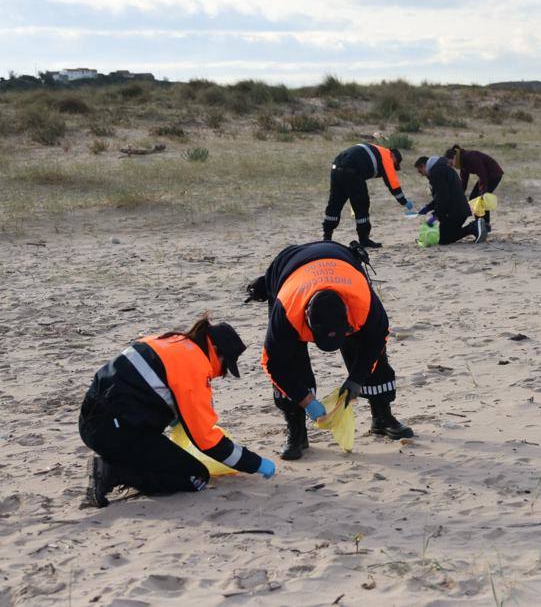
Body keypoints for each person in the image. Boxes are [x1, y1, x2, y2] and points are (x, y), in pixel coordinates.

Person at [79, 315, 275, 508]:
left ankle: (117, 463)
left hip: (95, 419)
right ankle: (111, 471)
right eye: (225, 365)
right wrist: (255, 463)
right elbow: (208, 441)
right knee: (195, 477)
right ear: (215, 350)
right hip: (112, 431)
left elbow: (148, 387)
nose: (222, 373)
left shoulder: (172, 341)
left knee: (164, 455)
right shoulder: (195, 367)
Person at [245, 240, 414, 460]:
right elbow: (273, 363)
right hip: (288, 268)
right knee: (290, 361)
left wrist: (356, 380)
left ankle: (382, 417)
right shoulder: (287, 310)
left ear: (347, 318)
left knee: (372, 353)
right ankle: (296, 432)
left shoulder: (363, 301)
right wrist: (306, 400)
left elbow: (375, 342)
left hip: (340, 260)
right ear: (306, 320)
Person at [322, 142, 414, 248]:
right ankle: (364, 239)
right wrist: (404, 201)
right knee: (362, 205)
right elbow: (392, 183)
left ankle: (327, 237)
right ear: (393, 156)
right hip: (353, 173)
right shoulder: (386, 156)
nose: (393, 167)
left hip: (336, 169)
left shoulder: (375, 149)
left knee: (335, 203)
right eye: (395, 164)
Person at [414, 156, 486, 244]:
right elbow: (442, 195)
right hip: (459, 210)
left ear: (423, 165)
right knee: (447, 235)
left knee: (444, 240)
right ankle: (473, 227)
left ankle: (473, 227)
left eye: (420, 171)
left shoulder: (436, 173)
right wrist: (428, 208)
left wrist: (435, 216)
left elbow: (443, 197)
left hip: (454, 213)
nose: (422, 175)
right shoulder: (444, 168)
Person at [445, 145, 504, 231]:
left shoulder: (470, 157)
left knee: (480, 200)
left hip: (494, 175)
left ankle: (484, 224)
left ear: (454, 157)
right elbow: (464, 181)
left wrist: (482, 193)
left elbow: (483, 175)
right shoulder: (462, 161)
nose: (452, 166)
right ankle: (480, 223)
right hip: (485, 176)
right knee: (473, 198)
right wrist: (459, 195)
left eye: (451, 163)